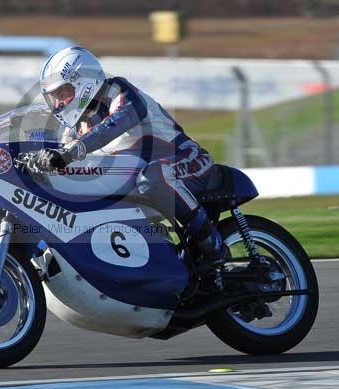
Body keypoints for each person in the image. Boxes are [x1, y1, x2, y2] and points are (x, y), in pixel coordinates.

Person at [27, 46, 228, 286]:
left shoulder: (120, 93)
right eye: (54, 97)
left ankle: (211, 243)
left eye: (63, 93)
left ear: (84, 82)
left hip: (186, 159)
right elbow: (63, 156)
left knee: (153, 177)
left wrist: (70, 152)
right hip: (144, 181)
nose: (59, 103)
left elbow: (115, 123)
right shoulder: (77, 126)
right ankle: (157, 261)